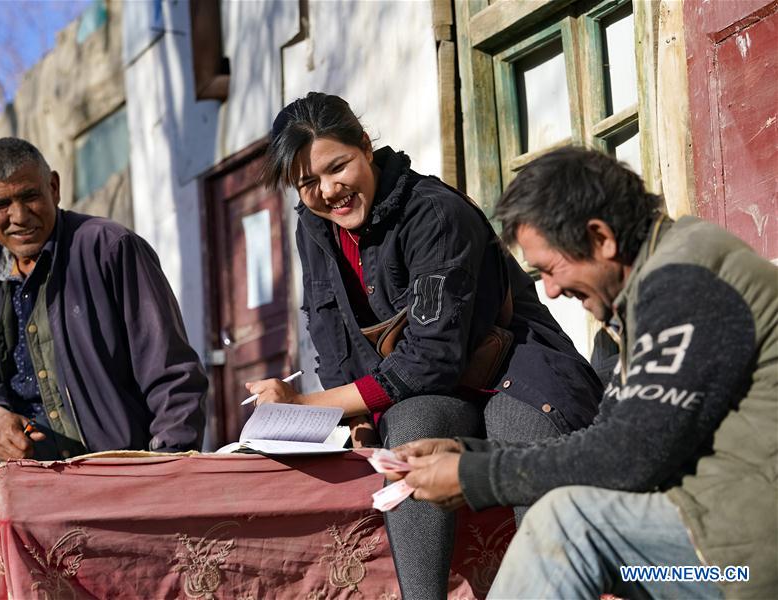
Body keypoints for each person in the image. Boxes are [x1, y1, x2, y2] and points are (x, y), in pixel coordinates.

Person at [249, 92, 602, 599]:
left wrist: (308, 405)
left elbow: (429, 357)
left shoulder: (433, 213)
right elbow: (330, 329)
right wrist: (358, 416)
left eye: (338, 166)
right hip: (436, 391)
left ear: (366, 147)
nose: (329, 191)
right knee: (412, 433)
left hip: (516, 368)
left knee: (520, 437)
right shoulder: (315, 227)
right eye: (308, 183)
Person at [394, 146, 777, 598]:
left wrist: (472, 474)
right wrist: (465, 451)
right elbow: (610, 438)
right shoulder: (645, 294)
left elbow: (627, 458)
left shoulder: (687, 282)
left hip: (734, 566)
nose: (551, 291)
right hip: (696, 553)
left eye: (551, 269)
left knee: (566, 524)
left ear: (601, 238)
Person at [0, 137, 208, 599]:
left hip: (98, 440)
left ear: (54, 187)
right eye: (1, 204)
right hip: (16, 437)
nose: (19, 215)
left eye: (30, 195)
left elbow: (171, 368)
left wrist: (167, 468)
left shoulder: (109, 247)